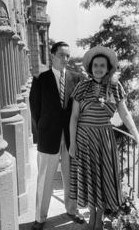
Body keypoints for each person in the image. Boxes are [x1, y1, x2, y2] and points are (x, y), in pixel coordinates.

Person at [69, 46, 139, 230]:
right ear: (90, 68)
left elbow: (125, 114)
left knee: (103, 179)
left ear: (108, 68)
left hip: (105, 141)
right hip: (84, 140)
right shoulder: (82, 87)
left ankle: (98, 221)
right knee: (91, 179)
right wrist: (72, 144)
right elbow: (74, 117)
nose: (98, 68)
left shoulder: (115, 86)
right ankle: (92, 217)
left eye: (102, 65)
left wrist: (136, 135)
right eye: (95, 65)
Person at [29, 41, 86, 230]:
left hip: (71, 137)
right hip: (48, 135)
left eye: (68, 56)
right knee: (45, 177)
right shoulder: (40, 78)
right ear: (52, 56)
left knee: (72, 176)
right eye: (61, 55)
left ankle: (72, 210)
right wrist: (44, 128)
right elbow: (35, 110)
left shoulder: (76, 78)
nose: (65, 59)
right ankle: (40, 218)